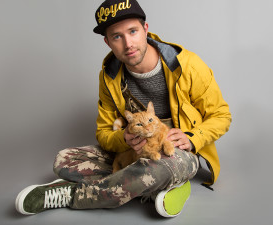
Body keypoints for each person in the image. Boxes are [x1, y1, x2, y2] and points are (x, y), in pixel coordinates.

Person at [15, 0, 231, 218]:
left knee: (155, 168)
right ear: (108, 42)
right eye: (117, 36)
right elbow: (104, 134)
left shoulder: (187, 65)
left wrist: (193, 138)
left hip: (174, 151)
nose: (128, 43)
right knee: (64, 160)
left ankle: (71, 195)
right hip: (133, 153)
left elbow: (221, 115)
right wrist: (125, 139)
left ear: (145, 30)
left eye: (133, 31)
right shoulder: (109, 77)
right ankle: (158, 185)